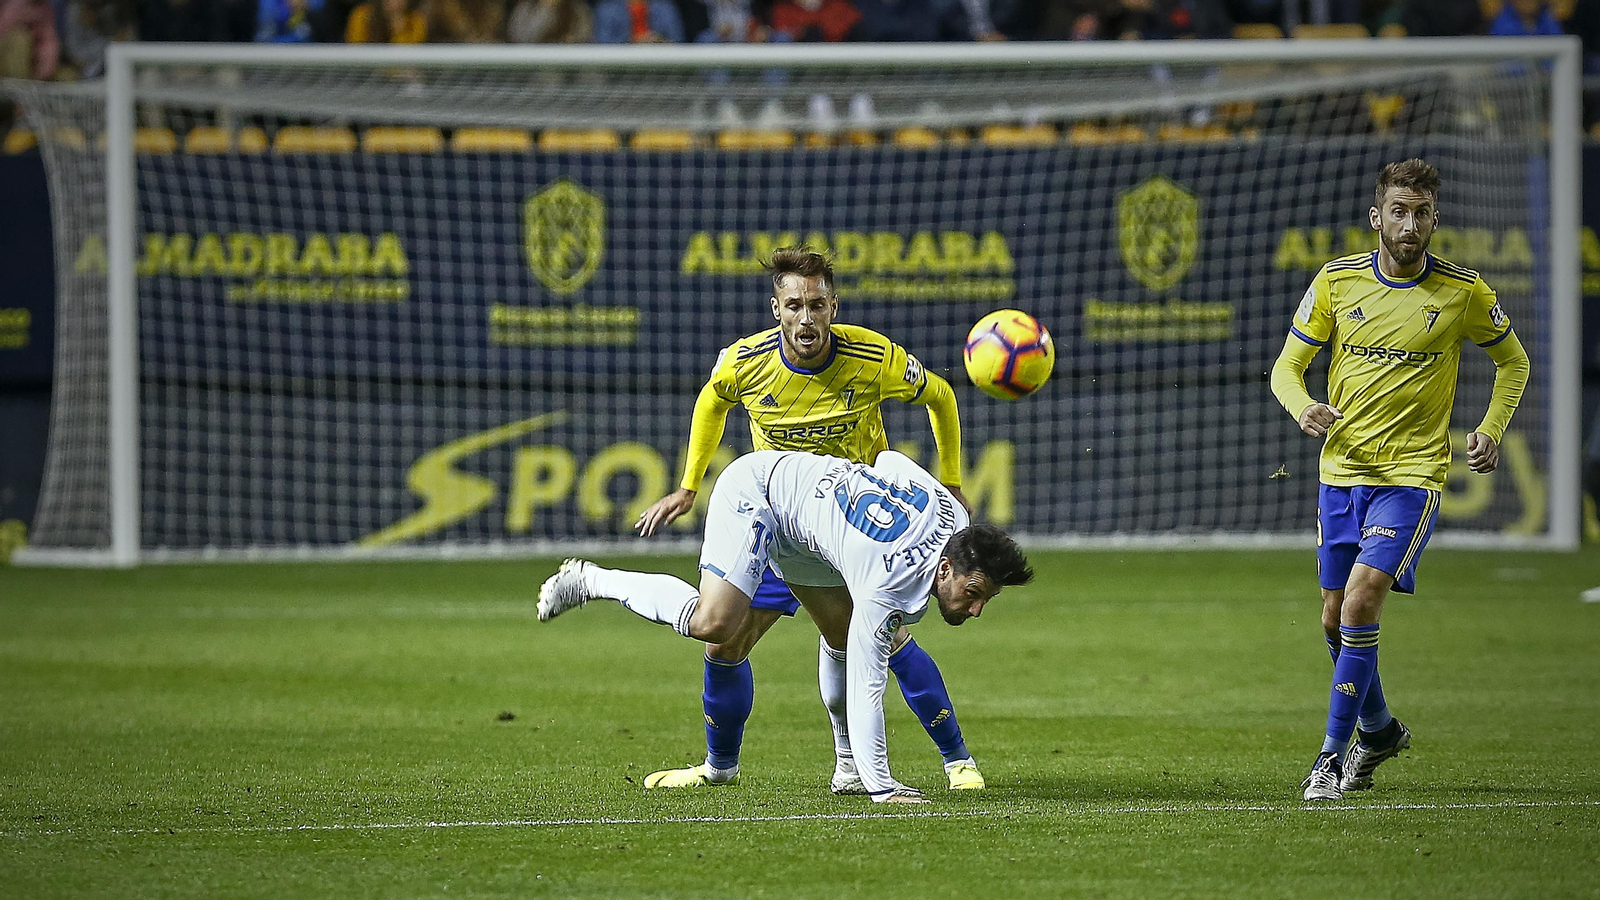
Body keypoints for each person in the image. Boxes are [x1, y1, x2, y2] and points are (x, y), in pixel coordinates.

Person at [628, 247, 985, 794]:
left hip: (855, 532)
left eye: (816, 304)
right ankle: (719, 768)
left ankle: (957, 762)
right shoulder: (745, 364)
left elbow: (940, 395)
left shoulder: (874, 357)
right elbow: (710, 401)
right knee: (723, 641)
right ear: (776, 309)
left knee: (880, 640)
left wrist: (953, 481)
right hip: (777, 525)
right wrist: (687, 485)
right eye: (794, 304)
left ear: (833, 306)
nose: (806, 317)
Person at [538, 450, 1033, 802]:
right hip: (762, 494)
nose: (976, 610)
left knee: (841, 636)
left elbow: (889, 463)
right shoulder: (886, 583)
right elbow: (867, 686)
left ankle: (847, 773)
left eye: (985, 598)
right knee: (716, 625)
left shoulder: (953, 514)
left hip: (810, 535)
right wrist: (886, 787)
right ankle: (591, 579)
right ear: (946, 569)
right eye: (973, 594)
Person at [1271, 158, 1530, 802]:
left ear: (1435, 218)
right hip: (1340, 475)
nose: (1410, 224)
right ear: (1375, 216)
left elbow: (1513, 362)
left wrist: (1491, 428)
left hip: (1412, 477)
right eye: (1399, 210)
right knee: (1334, 621)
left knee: (1360, 601)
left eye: (1421, 213)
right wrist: (1303, 406)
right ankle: (1381, 728)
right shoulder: (1336, 282)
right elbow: (1286, 368)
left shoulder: (1463, 293)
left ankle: (1333, 758)